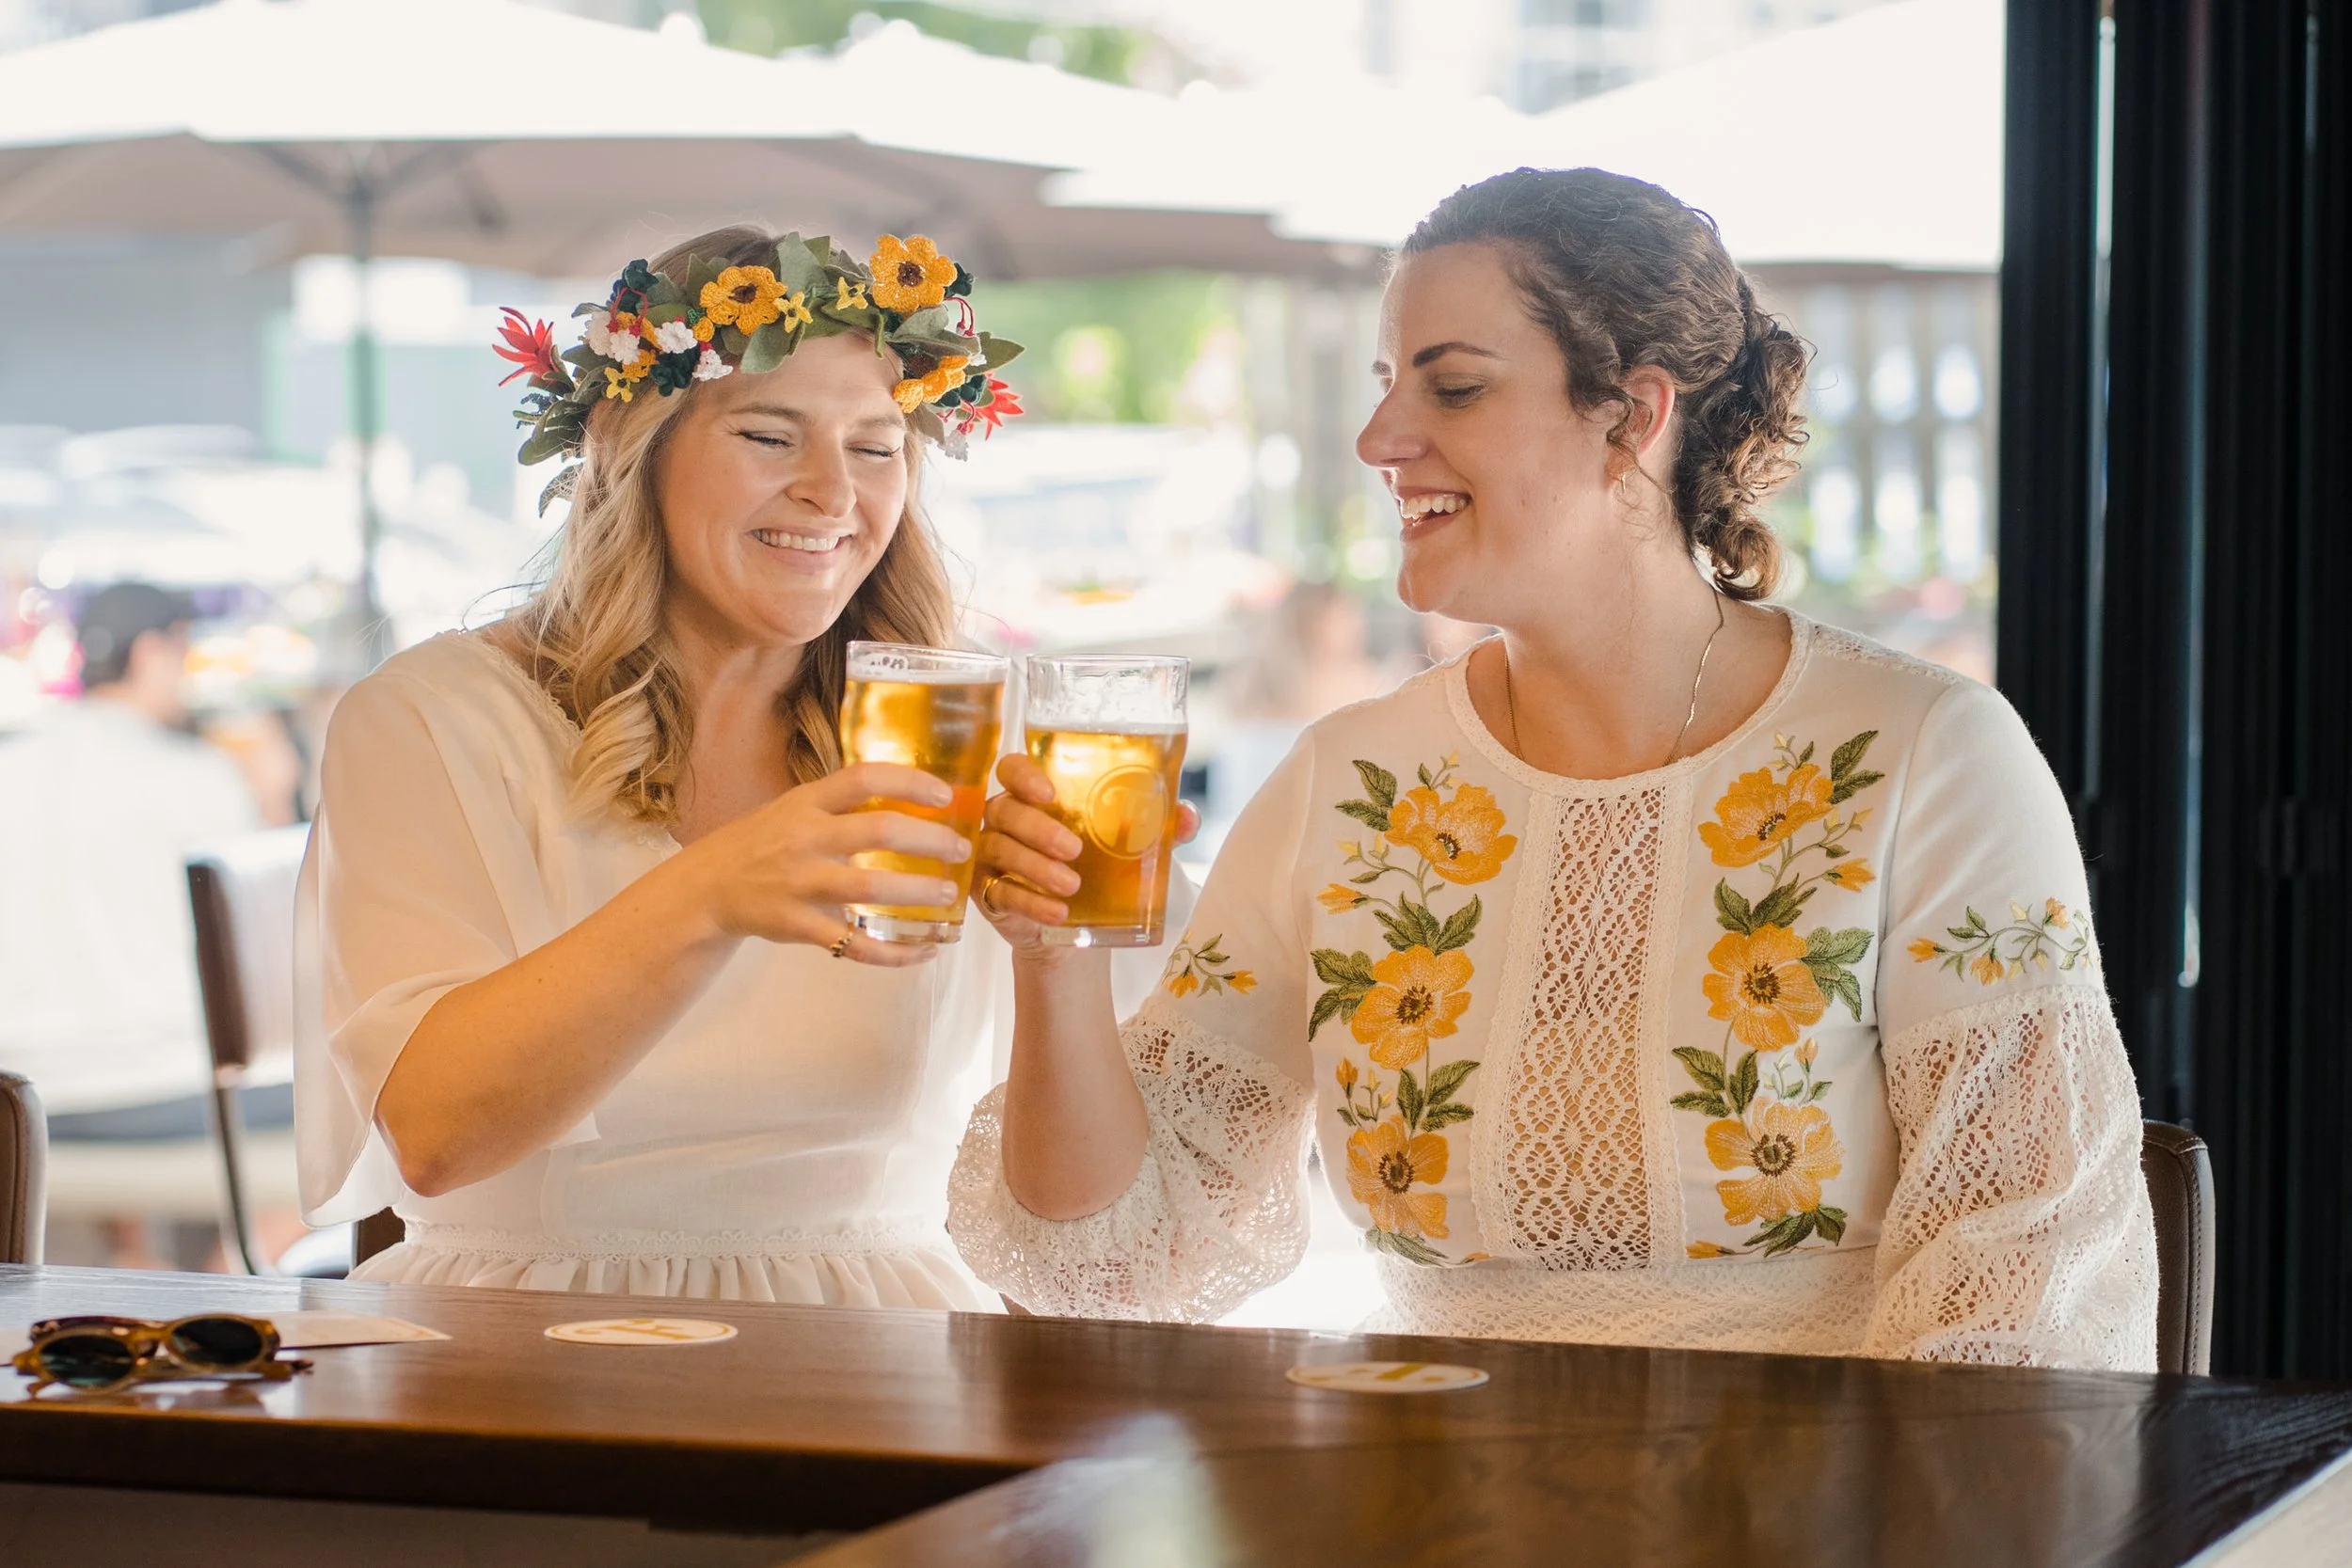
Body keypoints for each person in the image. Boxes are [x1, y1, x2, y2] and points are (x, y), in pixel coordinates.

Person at [950, 168, 2160, 1370]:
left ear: (1633, 414)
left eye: (1455, 386)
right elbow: (1108, 1264)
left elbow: (2020, 1297)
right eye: (1385, 384)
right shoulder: (1353, 778)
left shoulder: (1921, 756)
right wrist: (1053, 959)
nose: (1378, 439)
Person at [295, 226, 1133, 1305]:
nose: (833, 493)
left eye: (877, 448)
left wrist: (1057, 954)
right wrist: (715, 890)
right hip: (525, 1345)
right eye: (771, 436)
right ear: (629, 443)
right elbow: (436, 1136)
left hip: (886, 1350)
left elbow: (1078, 1214)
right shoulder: (432, 719)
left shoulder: (968, 728)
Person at [0, 582, 267, 1136]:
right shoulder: (199, 775)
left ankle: (137, 1225)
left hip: (24, 1091)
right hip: (163, 1082)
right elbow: (260, 950)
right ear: (151, 652)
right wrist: (271, 795)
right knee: (356, 1111)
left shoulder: (11, 765)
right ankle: (235, 1230)